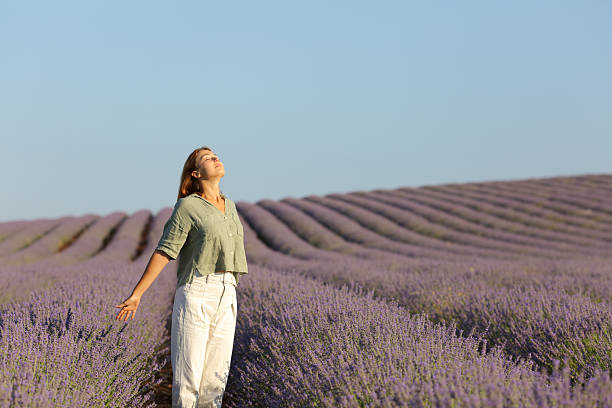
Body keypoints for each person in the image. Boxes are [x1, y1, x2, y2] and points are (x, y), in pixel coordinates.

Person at [115, 146, 249, 407]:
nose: (216, 159)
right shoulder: (188, 207)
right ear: (196, 173)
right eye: (208, 159)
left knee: (215, 384)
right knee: (188, 384)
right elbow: (165, 251)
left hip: (228, 295)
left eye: (217, 156)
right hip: (197, 292)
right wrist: (137, 294)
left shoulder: (230, 206)